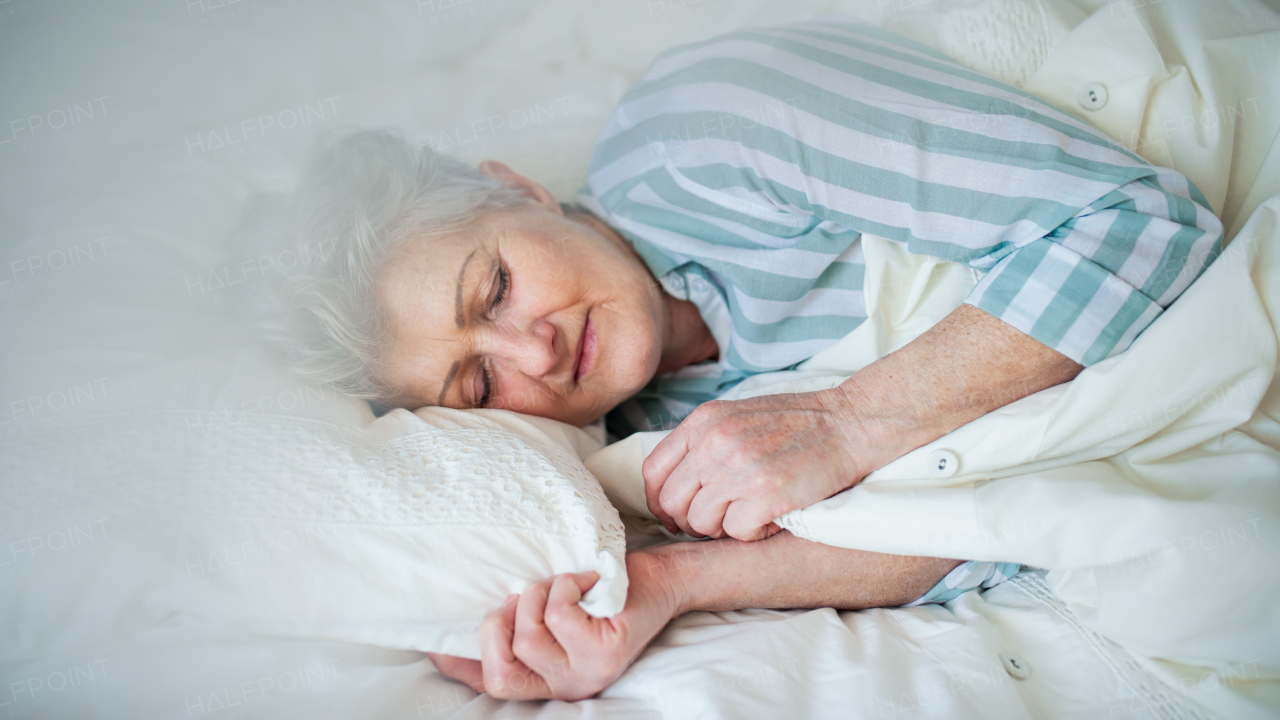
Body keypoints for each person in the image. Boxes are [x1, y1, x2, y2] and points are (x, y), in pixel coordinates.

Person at [268, 17, 1222, 701]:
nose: (534, 351)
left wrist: (849, 422)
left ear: (516, 188)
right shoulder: (648, 443)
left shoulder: (708, 132)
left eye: (496, 288)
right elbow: (986, 531)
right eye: (478, 383)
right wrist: (667, 586)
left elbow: (1139, 227)